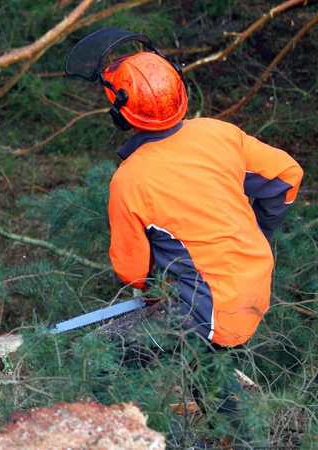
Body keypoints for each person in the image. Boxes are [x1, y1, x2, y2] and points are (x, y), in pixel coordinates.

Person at [66, 29, 303, 446]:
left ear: (121, 114)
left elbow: (132, 270)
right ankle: (242, 440)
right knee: (205, 360)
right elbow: (286, 176)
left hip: (210, 304)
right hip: (250, 284)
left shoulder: (131, 180)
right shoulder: (219, 134)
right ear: (181, 91)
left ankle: (168, 442)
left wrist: (159, 287)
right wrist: (258, 235)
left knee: (97, 358)